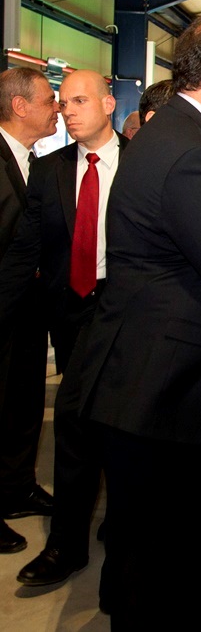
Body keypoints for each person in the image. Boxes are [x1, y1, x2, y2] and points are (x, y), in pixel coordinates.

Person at [78, 12, 201, 630]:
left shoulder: (175, 134)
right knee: (171, 575)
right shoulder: (193, 155)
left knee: (147, 565)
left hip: (144, 384)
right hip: (166, 396)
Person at [0, 70, 126, 586]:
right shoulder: (49, 170)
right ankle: (69, 544)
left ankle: (108, 535)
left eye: (79, 101)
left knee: (112, 427)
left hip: (124, 316)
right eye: (63, 102)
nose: (67, 111)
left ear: (109, 104)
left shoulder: (141, 164)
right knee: (77, 426)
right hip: (70, 316)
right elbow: (25, 250)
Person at [0, 67, 58, 554]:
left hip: (27, 313)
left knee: (22, 405)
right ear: (20, 107)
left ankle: (16, 488)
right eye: (49, 100)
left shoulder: (34, 161)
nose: (57, 108)